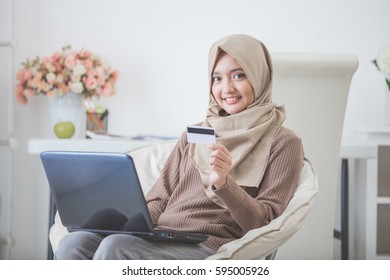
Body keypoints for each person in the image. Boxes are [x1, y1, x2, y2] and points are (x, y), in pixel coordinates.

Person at [55, 34, 304, 260]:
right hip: (161, 237)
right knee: (75, 243)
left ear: (260, 76)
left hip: (208, 245)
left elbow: (267, 224)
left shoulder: (283, 142)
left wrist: (224, 184)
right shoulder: (196, 133)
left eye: (238, 75)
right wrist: (129, 223)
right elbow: (159, 198)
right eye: (217, 78)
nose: (226, 88)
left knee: (117, 248)